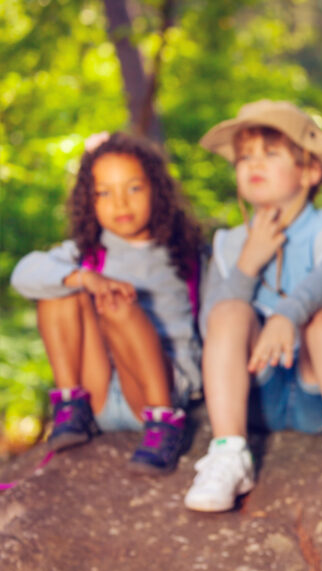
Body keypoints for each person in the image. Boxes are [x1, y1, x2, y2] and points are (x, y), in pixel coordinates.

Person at [184, 100, 322, 513]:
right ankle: (229, 451)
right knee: (228, 312)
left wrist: (287, 314)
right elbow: (211, 326)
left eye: (270, 153)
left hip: (320, 393)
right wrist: (247, 263)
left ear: (310, 172)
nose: (253, 164)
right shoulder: (228, 244)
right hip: (259, 396)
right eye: (244, 157)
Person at [11, 131, 204, 473]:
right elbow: (23, 274)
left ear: (157, 190)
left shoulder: (185, 254)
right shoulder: (87, 254)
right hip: (97, 395)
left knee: (117, 305)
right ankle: (70, 407)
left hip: (152, 392)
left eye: (134, 188)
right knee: (59, 287)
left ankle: (164, 423)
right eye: (105, 192)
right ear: (90, 200)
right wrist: (84, 278)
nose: (121, 204)